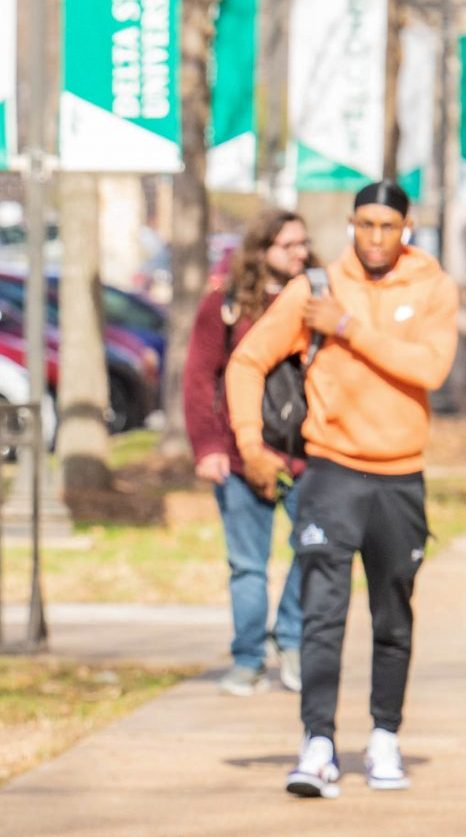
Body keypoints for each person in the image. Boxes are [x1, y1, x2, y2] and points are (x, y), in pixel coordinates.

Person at [227, 181, 458, 798]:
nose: (374, 237)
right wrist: (250, 443)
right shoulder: (317, 289)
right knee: (322, 614)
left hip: (399, 474)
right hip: (331, 472)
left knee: (393, 615)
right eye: (364, 224)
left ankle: (385, 737)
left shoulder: (433, 288)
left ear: (406, 228)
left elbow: (429, 367)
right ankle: (318, 744)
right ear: (351, 225)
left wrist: (350, 328)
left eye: (387, 226)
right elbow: (247, 361)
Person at [182, 207, 313, 696]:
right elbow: (199, 377)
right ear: (261, 251)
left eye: (303, 243)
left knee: (314, 551)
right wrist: (209, 446)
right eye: (288, 245)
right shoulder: (226, 305)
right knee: (248, 564)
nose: (300, 252)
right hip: (239, 458)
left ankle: (292, 639)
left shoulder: (316, 298)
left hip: (306, 453)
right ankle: (249, 658)